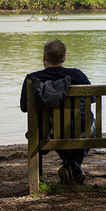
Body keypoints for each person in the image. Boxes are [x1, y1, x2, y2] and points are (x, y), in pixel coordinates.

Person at [20, 39, 93, 185]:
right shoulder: (77, 75)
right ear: (64, 59)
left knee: (54, 130)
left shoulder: (32, 79)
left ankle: (70, 166)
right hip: (80, 130)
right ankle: (72, 167)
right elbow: (91, 99)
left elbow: (24, 107)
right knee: (90, 125)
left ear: (44, 57)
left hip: (49, 133)